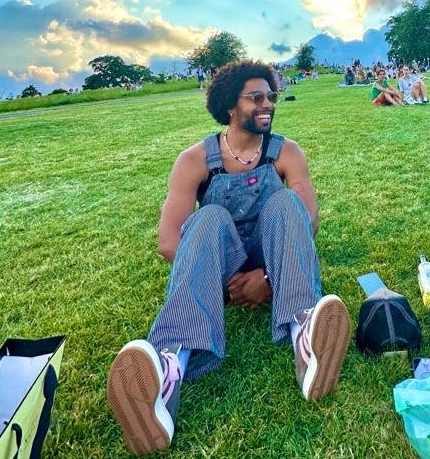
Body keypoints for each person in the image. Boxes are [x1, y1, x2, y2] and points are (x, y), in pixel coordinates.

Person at [106, 60, 352, 456]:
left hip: (273, 254)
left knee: (288, 204)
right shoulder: (194, 160)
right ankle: (169, 370)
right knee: (208, 218)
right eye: (255, 97)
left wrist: (269, 278)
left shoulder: (286, 151)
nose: (267, 104)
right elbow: (170, 242)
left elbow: (308, 221)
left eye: (270, 96)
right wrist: (224, 286)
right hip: (221, 264)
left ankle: (306, 339)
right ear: (229, 107)